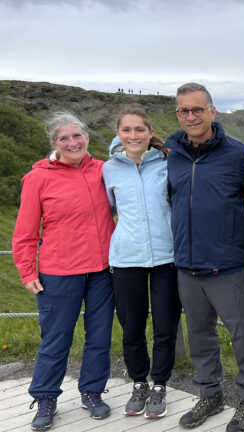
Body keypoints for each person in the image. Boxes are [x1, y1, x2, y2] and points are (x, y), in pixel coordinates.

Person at [164, 82, 244, 432]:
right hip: (187, 267)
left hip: (230, 267)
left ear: (212, 111)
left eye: (197, 109)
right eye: (183, 111)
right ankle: (210, 395)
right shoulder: (172, 153)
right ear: (178, 114)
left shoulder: (238, 154)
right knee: (200, 335)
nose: (190, 116)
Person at [12, 112, 116, 430]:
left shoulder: (104, 170)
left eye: (77, 136)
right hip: (59, 272)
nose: (72, 142)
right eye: (64, 138)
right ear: (54, 144)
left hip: (102, 271)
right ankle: (45, 397)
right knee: (56, 339)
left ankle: (92, 392)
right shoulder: (38, 178)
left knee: (99, 337)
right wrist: (27, 271)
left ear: (86, 137)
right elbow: (26, 231)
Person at [102, 107, 182, 419]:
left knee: (165, 326)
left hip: (166, 257)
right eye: (127, 130)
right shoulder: (109, 169)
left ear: (150, 133)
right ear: (118, 134)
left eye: (139, 130)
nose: (133, 136)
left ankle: (160, 384)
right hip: (126, 259)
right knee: (131, 327)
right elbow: (107, 210)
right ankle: (139, 382)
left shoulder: (166, 162)